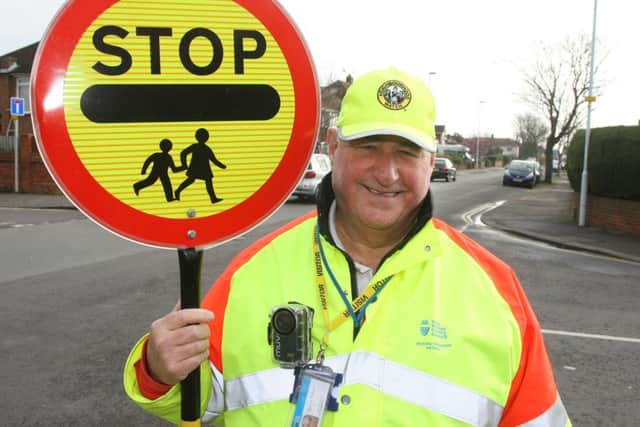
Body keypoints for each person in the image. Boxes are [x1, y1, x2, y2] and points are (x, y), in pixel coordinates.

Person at [124, 68, 571, 426]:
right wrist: (161, 371)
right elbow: (200, 402)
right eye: (369, 147)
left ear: (431, 162)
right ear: (333, 148)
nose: (387, 172)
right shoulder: (254, 271)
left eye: (407, 152)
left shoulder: (494, 290)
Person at [174, 127, 227, 204]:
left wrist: (222, 166)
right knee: (194, 180)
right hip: (197, 168)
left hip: (204, 169)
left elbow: (213, 159)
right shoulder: (198, 147)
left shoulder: (205, 148)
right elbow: (183, 153)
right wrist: (184, 164)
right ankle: (178, 191)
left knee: (203, 181)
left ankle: (213, 198)